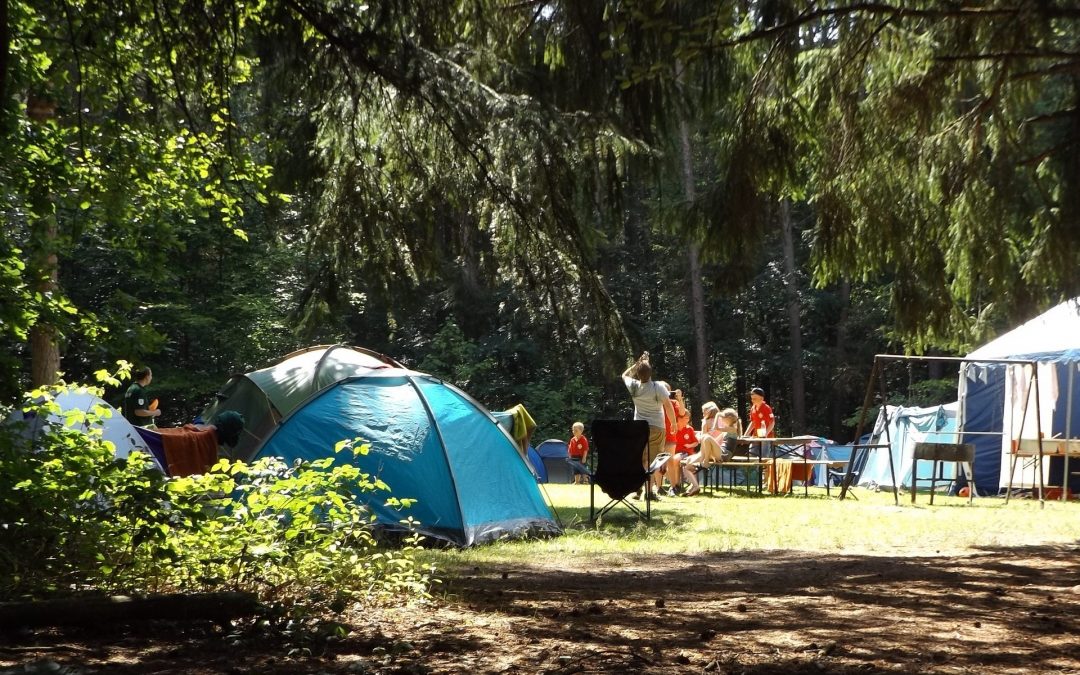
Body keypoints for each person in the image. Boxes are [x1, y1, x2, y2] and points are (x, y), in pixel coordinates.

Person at [621, 351, 675, 500]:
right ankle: (649, 493)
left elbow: (624, 375)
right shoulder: (658, 387)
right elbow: (668, 406)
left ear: (638, 374)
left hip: (639, 428)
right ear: (651, 373)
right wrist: (674, 423)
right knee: (653, 461)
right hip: (657, 427)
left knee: (641, 459)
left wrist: (637, 364)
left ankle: (638, 489)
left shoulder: (634, 386)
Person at [744, 387, 775, 459]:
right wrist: (746, 434)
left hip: (766, 438)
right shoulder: (752, 408)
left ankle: (764, 470)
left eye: (755, 399)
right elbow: (753, 422)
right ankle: (755, 470)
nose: (752, 400)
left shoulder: (767, 408)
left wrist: (765, 434)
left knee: (764, 457)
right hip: (755, 437)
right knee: (751, 455)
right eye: (752, 398)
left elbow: (772, 422)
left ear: (761, 398)